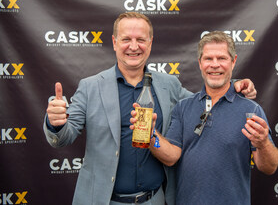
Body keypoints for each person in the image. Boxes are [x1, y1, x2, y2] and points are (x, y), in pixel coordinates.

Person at [43, 12, 257, 205]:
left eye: (141, 40)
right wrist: (55, 124)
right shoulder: (90, 87)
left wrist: (233, 84)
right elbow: (62, 139)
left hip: (154, 200)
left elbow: (204, 102)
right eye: (126, 39)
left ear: (150, 43)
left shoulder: (168, 84)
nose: (134, 46)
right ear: (115, 42)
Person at [131, 31, 278, 205]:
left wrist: (263, 144)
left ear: (233, 61)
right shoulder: (183, 107)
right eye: (208, 59)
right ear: (200, 63)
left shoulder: (251, 110)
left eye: (222, 58)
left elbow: (270, 167)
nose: (215, 65)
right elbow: (171, 156)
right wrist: (151, 137)